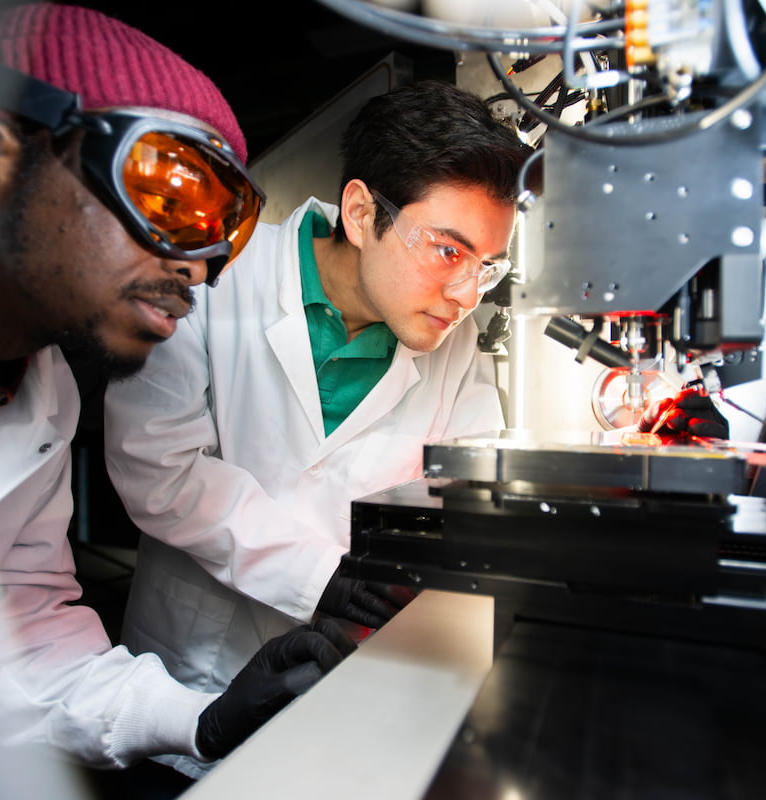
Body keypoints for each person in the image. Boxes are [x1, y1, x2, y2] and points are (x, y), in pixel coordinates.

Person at [0, 2, 354, 791]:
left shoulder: (41, 396)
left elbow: (18, 635)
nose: (197, 268)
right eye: (166, 193)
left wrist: (200, 720)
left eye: (223, 229)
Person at [102, 79, 532, 778]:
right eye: (449, 252)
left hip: (348, 692)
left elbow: (470, 483)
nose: (466, 294)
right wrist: (318, 575)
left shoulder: (455, 341)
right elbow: (157, 468)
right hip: (194, 680)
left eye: (486, 266)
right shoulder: (218, 277)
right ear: (361, 213)